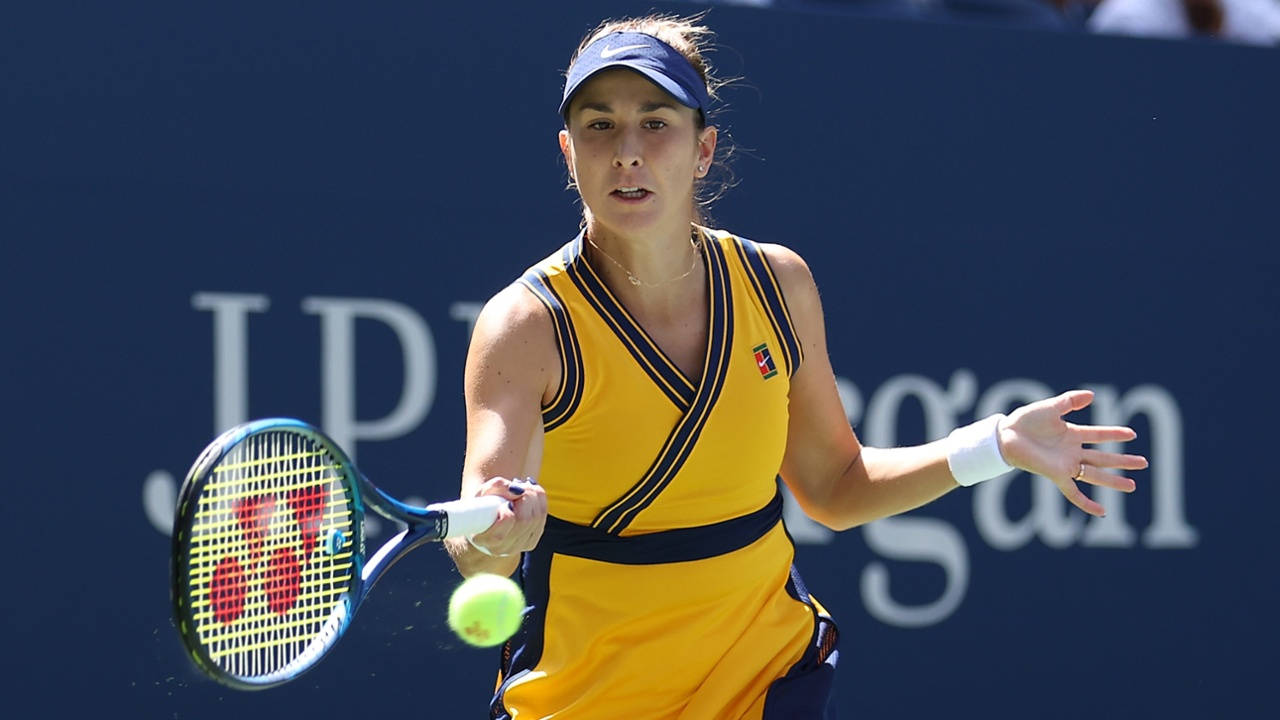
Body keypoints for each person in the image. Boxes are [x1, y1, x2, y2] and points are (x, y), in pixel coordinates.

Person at [443, 14, 1147, 719]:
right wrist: (499, 536)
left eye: (655, 123)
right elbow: (482, 553)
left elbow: (836, 487)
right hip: (586, 700)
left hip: (763, 680)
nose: (627, 152)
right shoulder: (526, 327)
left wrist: (994, 445)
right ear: (569, 152)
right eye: (599, 126)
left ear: (703, 150)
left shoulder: (778, 285)